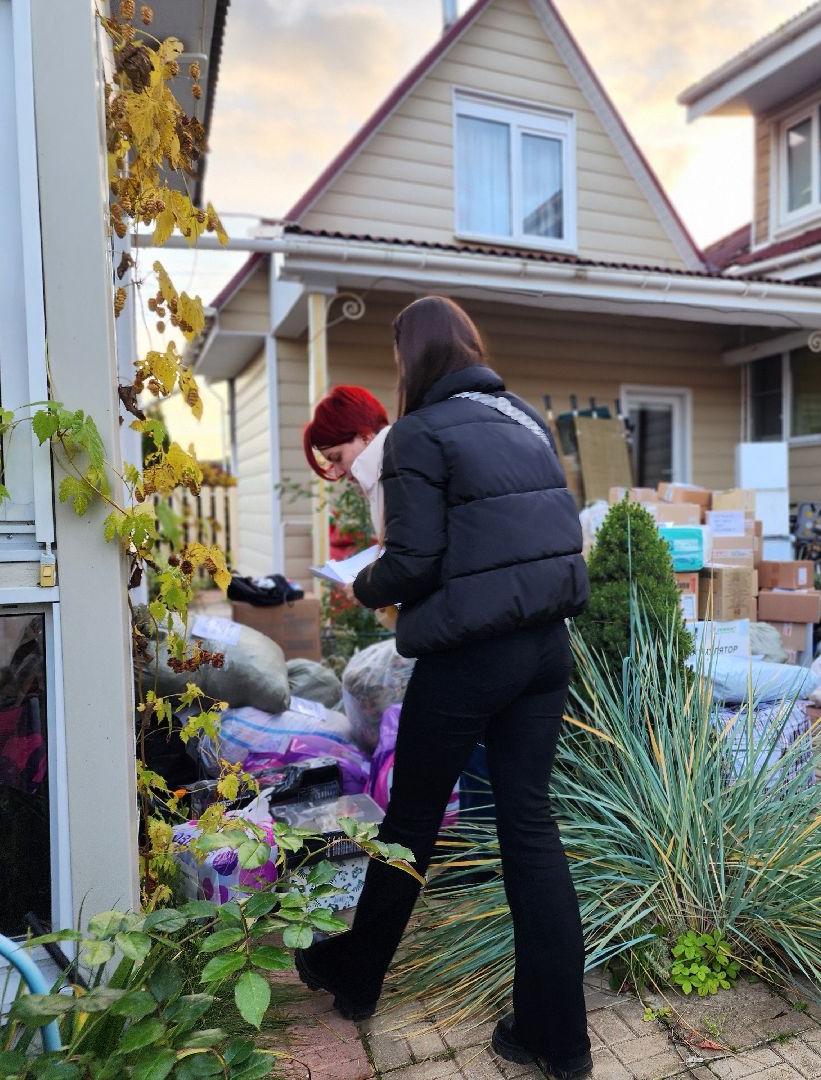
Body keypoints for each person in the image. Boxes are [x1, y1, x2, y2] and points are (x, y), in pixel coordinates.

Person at [294, 296, 592, 1079]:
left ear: (412, 358)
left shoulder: (421, 432)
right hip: (546, 650)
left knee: (411, 822)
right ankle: (558, 1039)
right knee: (529, 825)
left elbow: (415, 561)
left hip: (471, 656)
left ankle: (356, 976)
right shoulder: (524, 418)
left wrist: (361, 584)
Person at [303, 385, 392, 541]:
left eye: (337, 458)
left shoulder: (401, 473)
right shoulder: (387, 473)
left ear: (365, 436)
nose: (338, 473)